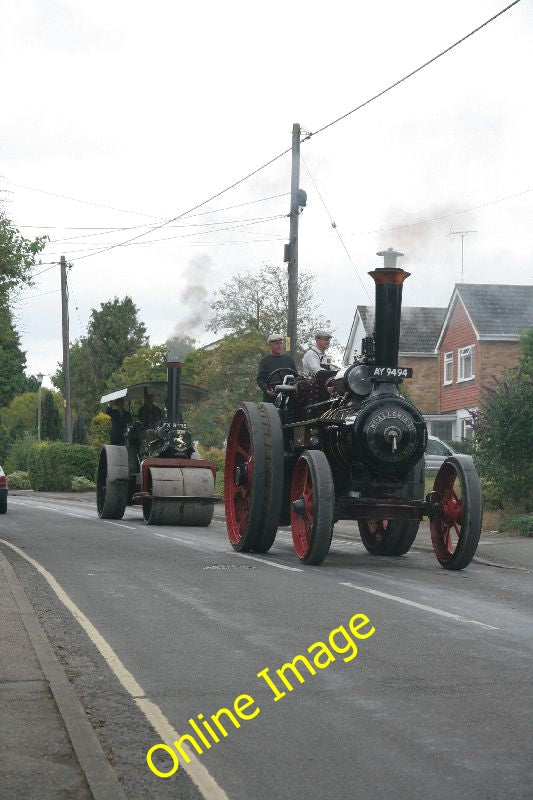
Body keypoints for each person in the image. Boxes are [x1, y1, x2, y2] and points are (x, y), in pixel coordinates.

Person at [257, 334, 297, 402]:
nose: (280, 346)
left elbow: (296, 377)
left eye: (281, 343)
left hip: (288, 397)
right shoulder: (265, 361)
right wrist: (267, 390)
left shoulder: (289, 360)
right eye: (277, 344)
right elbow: (260, 379)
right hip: (271, 398)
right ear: (270, 345)